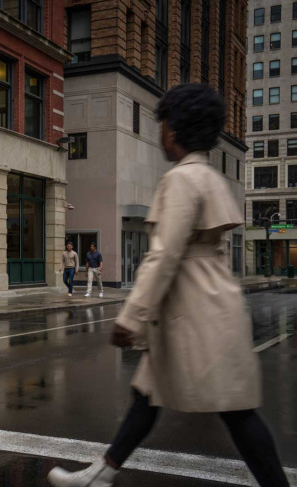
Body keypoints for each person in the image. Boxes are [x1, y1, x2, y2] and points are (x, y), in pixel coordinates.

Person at [47, 83, 289, 486]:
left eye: (162, 125)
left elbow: (164, 255)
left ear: (173, 130)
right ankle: (100, 474)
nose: (161, 132)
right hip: (206, 308)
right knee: (147, 397)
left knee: (236, 412)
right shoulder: (210, 178)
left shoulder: (180, 180)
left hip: (194, 315)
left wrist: (132, 316)